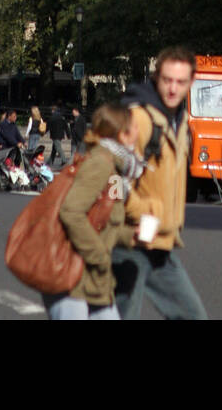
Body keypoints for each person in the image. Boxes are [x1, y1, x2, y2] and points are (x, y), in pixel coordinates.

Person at [112, 45, 208, 320]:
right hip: (129, 242)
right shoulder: (141, 119)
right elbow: (109, 178)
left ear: (191, 82)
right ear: (157, 78)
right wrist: (142, 210)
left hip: (158, 242)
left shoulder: (178, 118)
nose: (173, 89)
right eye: (167, 80)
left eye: (180, 82)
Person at [43, 103, 144, 321]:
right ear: (122, 133)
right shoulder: (100, 164)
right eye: (135, 127)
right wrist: (98, 254)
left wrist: (132, 236)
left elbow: (112, 220)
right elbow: (71, 212)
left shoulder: (116, 170)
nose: (140, 133)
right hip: (72, 279)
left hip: (94, 281)